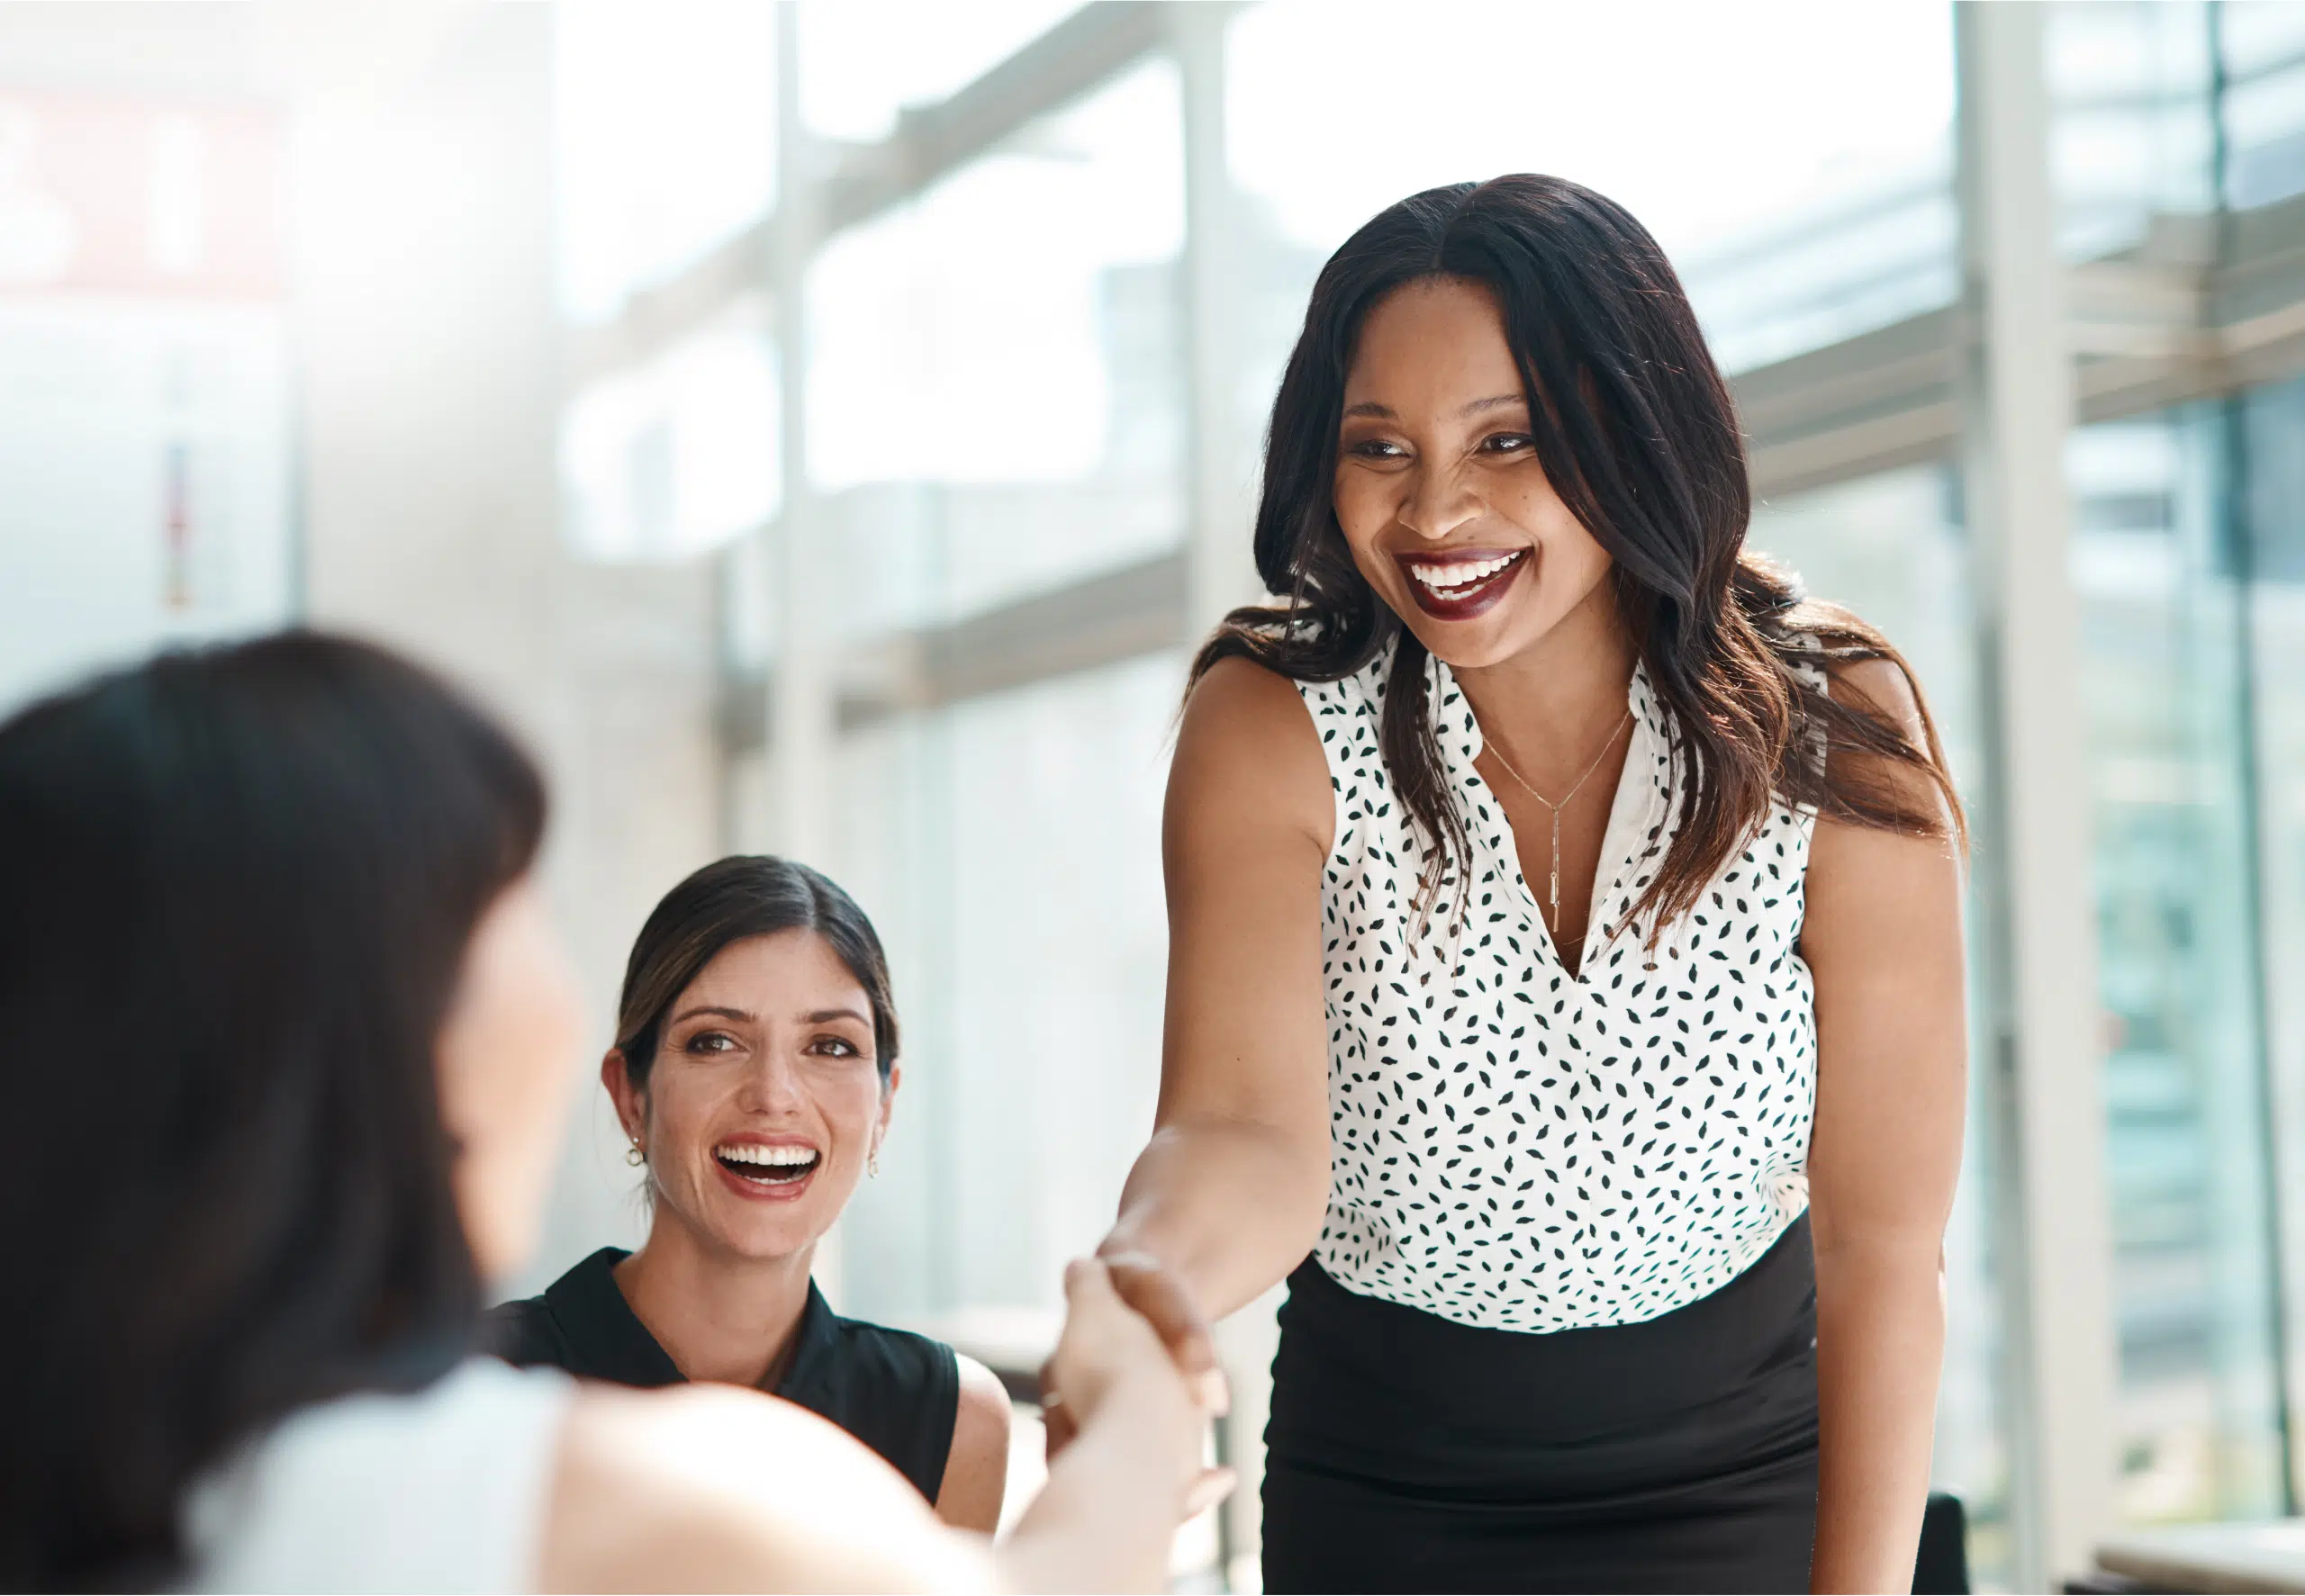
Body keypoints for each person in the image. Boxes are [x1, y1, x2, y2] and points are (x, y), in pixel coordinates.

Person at [1088, 176, 1969, 1593]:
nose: (1437, 510)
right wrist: (1146, 1281)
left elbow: (1883, 1251)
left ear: (1638, 425)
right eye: (1380, 447)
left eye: (1508, 440)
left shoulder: (1832, 725)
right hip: (1388, 1481)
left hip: (1747, 1471)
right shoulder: (1272, 725)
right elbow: (1241, 1132)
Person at [0, 631, 1213, 1592]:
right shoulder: (521, 1477)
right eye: (504, 899)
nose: (774, 1092)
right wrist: (1138, 1401)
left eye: (830, 1044)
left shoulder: (115, 1464)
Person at [491, 855, 1011, 1530]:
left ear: (884, 1106)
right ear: (630, 1097)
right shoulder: (473, 1390)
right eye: (715, 1040)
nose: (773, 1095)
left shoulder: (951, 1422)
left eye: (830, 1046)